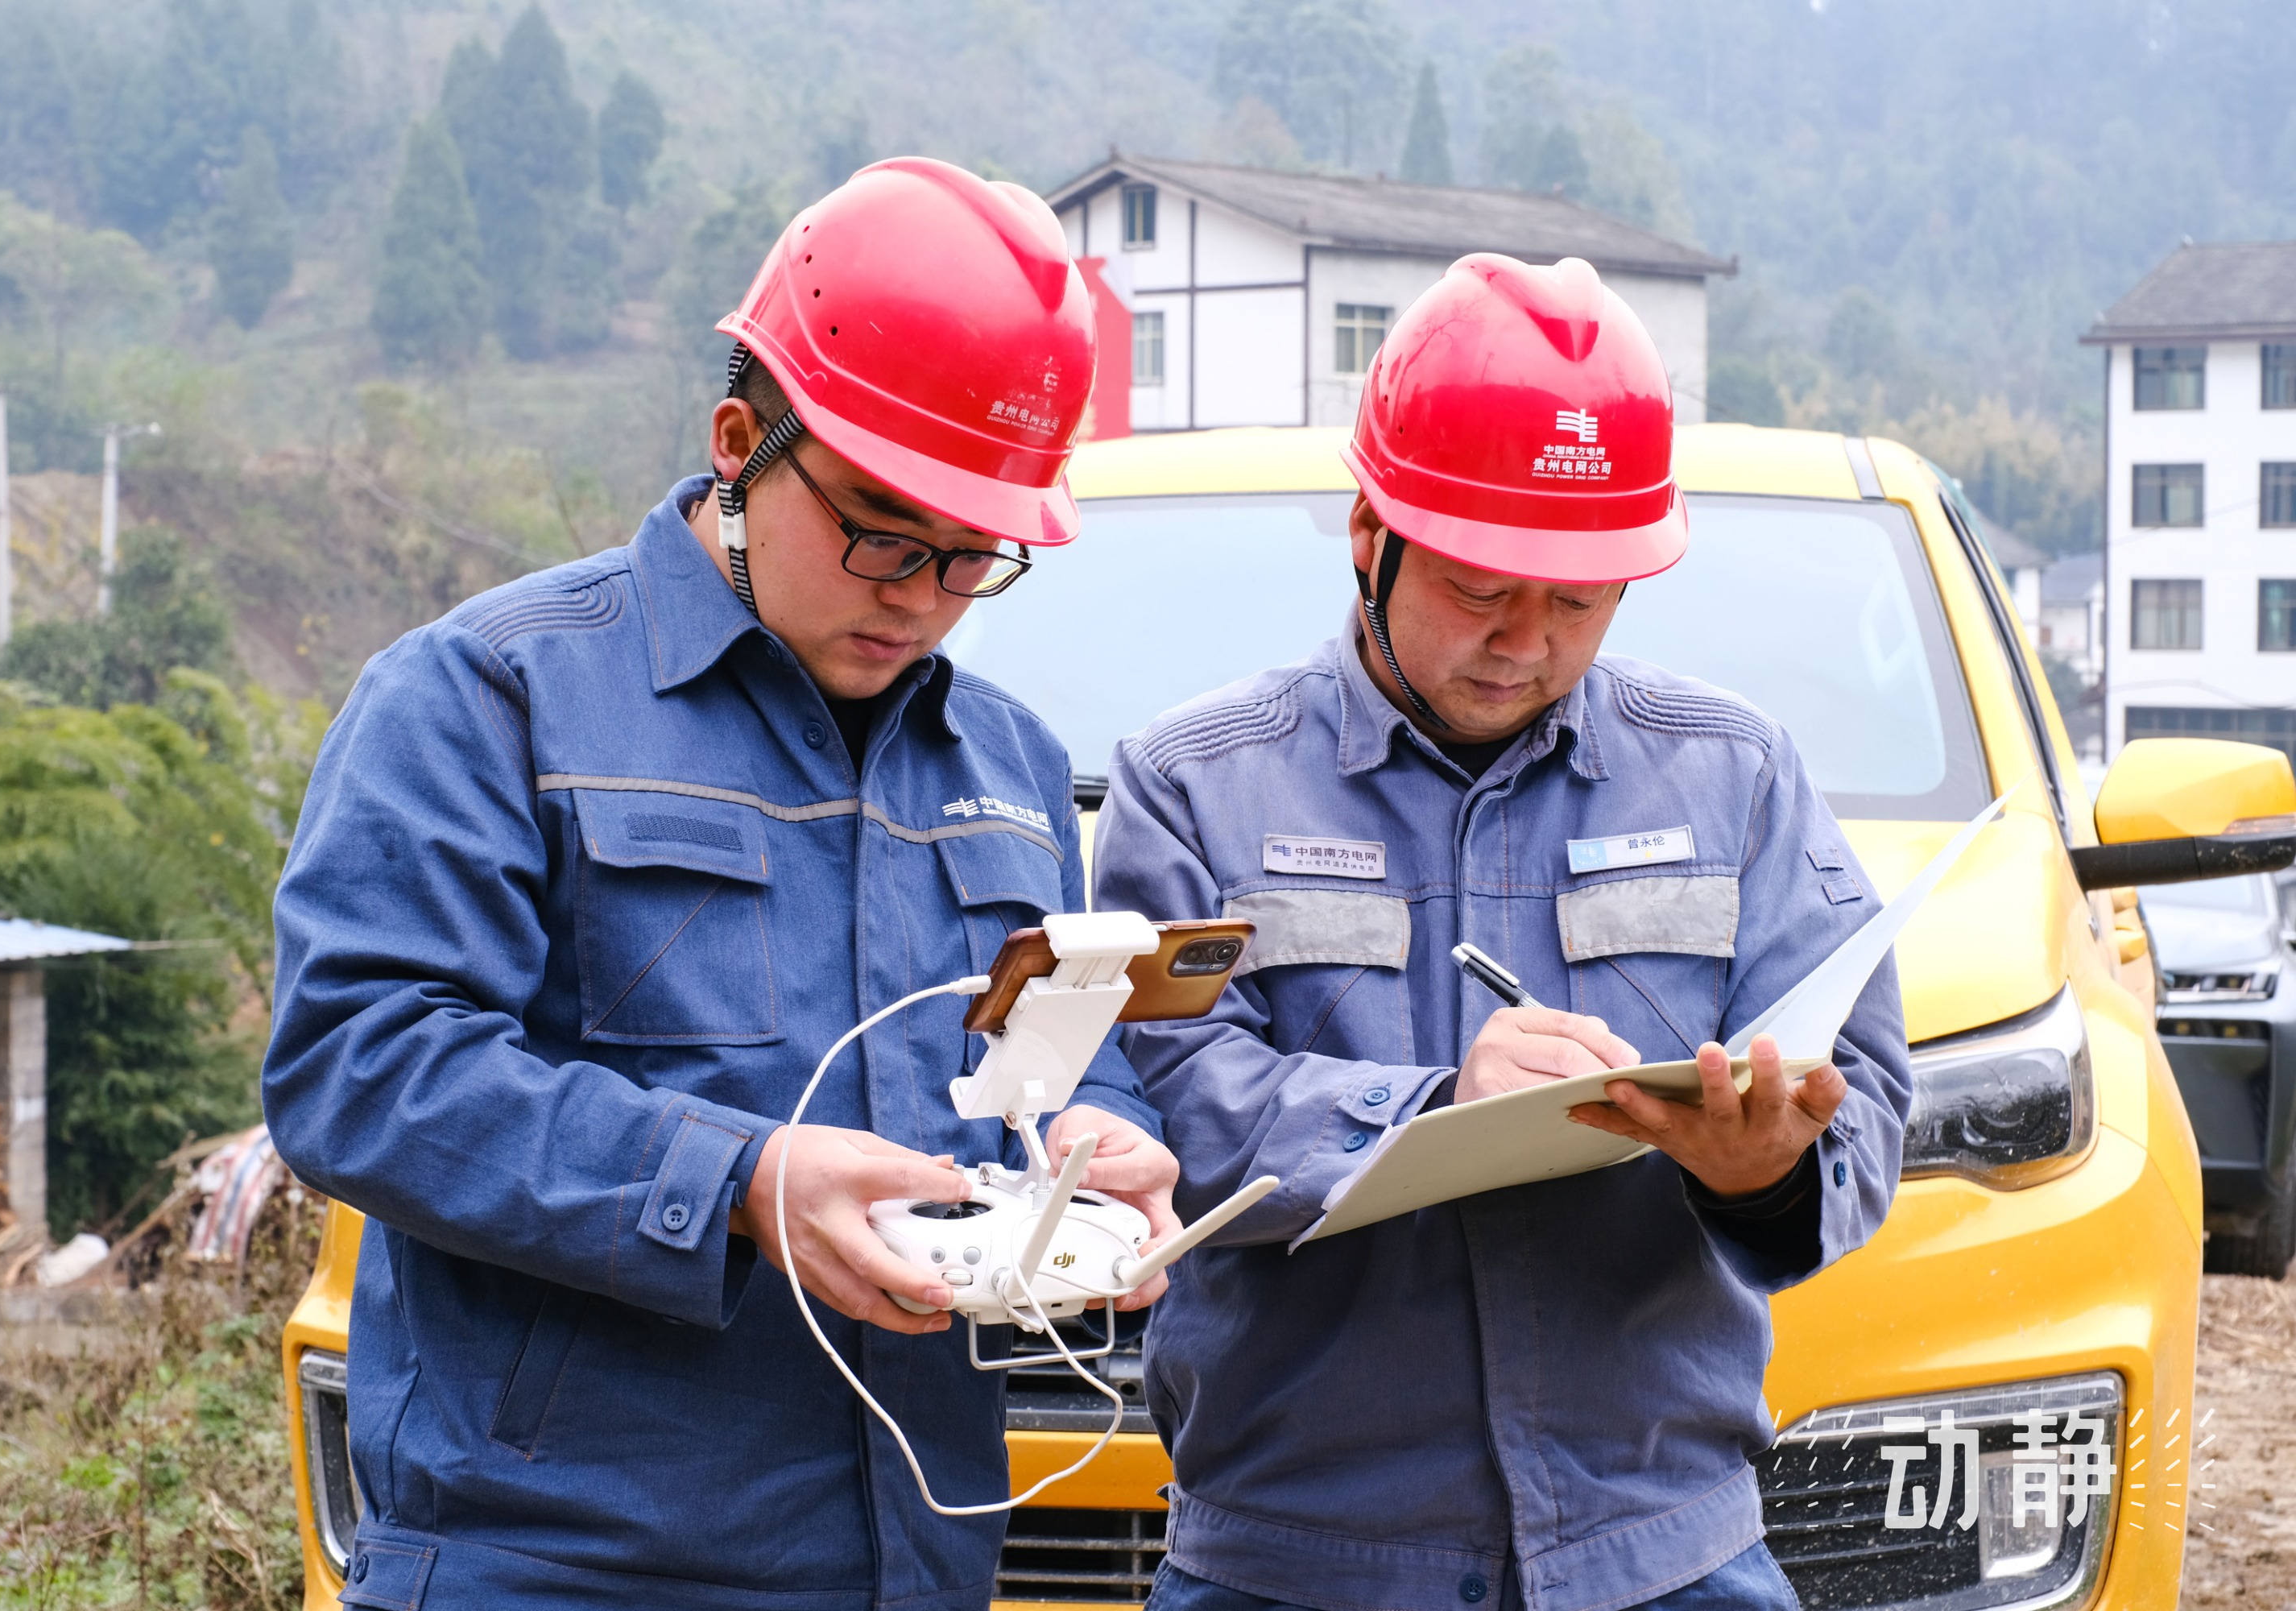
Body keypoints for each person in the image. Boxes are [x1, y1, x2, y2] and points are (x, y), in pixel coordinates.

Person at [263, 158, 1181, 1610]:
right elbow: (359, 1073)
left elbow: (1048, 1049)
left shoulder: (1002, 754)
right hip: (565, 1563)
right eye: (881, 529)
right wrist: (741, 1183)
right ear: (742, 442)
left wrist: (1102, 1142)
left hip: (920, 1549)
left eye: (973, 557)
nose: (921, 595)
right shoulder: (489, 696)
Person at [1091, 255, 1911, 1611]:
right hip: (1298, 1565)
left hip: (1667, 1557)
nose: (1525, 643)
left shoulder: (1737, 776)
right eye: (1481, 590)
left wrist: (1762, 1166)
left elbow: (1865, 1089)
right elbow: (1163, 1107)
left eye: (1577, 602)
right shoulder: (1193, 786)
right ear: (1370, 532)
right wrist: (1430, 1108)